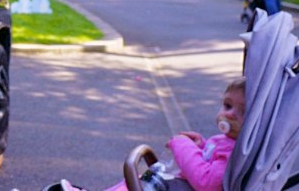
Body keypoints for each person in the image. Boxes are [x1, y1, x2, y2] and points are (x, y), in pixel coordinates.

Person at [48, 77, 247, 191]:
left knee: (148, 179)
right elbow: (211, 162)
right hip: (177, 184)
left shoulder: (236, 153)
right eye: (227, 106)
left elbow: (207, 181)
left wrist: (183, 146)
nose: (229, 114)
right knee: (144, 178)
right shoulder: (228, 142)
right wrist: (201, 146)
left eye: (242, 112)